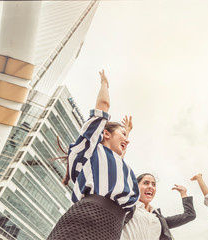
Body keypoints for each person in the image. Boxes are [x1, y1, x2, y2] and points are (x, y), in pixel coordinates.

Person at [48, 70, 139, 240]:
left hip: (112, 227)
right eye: (123, 135)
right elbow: (103, 105)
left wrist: (126, 132)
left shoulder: (115, 164)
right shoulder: (90, 151)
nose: (127, 140)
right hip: (86, 220)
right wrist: (104, 83)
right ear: (105, 134)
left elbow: (117, 160)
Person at [121, 173, 196, 240]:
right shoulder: (125, 207)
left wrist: (183, 193)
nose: (150, 186)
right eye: (146, 183)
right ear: (136, 187)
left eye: (153, 184)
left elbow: (190, 215)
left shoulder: (159, 219)